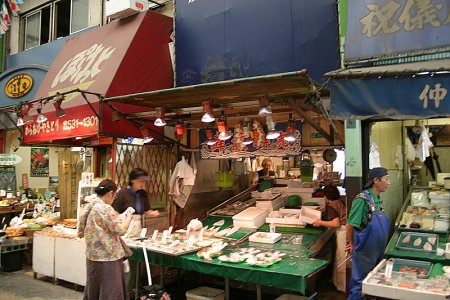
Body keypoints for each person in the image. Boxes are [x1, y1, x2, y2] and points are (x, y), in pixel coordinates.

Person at [78, 179, 132, 300]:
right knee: (110, 290)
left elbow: (80, 230)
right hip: (108, 256)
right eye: (115, 196)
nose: (114, 199)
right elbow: (121, 229)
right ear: (110, 193)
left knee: (94, 287)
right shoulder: (105, 209)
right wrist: (128, 218)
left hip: (92, 255)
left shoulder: (89, 206)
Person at [346, 167, 390, 300]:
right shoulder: (362, 200)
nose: (389, 182)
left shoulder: (378, 199)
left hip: (377, 251)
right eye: (386, 179)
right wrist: (352, 245)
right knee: (360, 285)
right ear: (376, 180)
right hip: (364, 252)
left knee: (373, 283)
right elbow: (350, 226)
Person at [312, 184, 347, 292]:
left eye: (324, 195)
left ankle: (342, 287)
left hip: (343, 232)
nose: (323, 198)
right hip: (345, 230)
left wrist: (320, 222)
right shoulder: (340, 201)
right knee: (340, 258)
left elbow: (336, 223)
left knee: (341, 259)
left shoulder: (331, 206)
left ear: (327, 196)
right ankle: (338, 284)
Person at [113, 168, 160, 238]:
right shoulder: (123, 193)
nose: (142, 183)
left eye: (143, 181)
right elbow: (115, 212)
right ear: (132, 180)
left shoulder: (143, 193)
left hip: (137, 227)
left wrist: (151, 213)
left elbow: (146, 210)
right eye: (139, 181)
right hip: (124, 226)